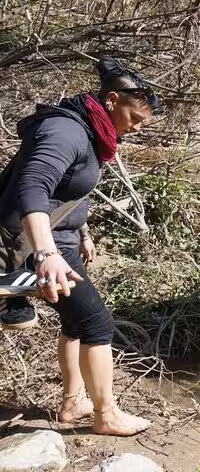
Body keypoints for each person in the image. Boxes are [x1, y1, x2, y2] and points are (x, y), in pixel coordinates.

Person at [0, 57, 159, 435]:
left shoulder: (90, 132)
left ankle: (73, 404)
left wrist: (83, 233)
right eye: (134, 118)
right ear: (111, 100)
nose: (135, 129)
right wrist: (47, 254)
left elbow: (66, 192)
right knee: (95, 324)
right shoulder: (65, 131)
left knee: (75, 322)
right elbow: (33, 189)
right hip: (41, 247)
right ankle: (107, 415)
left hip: (61, 243)